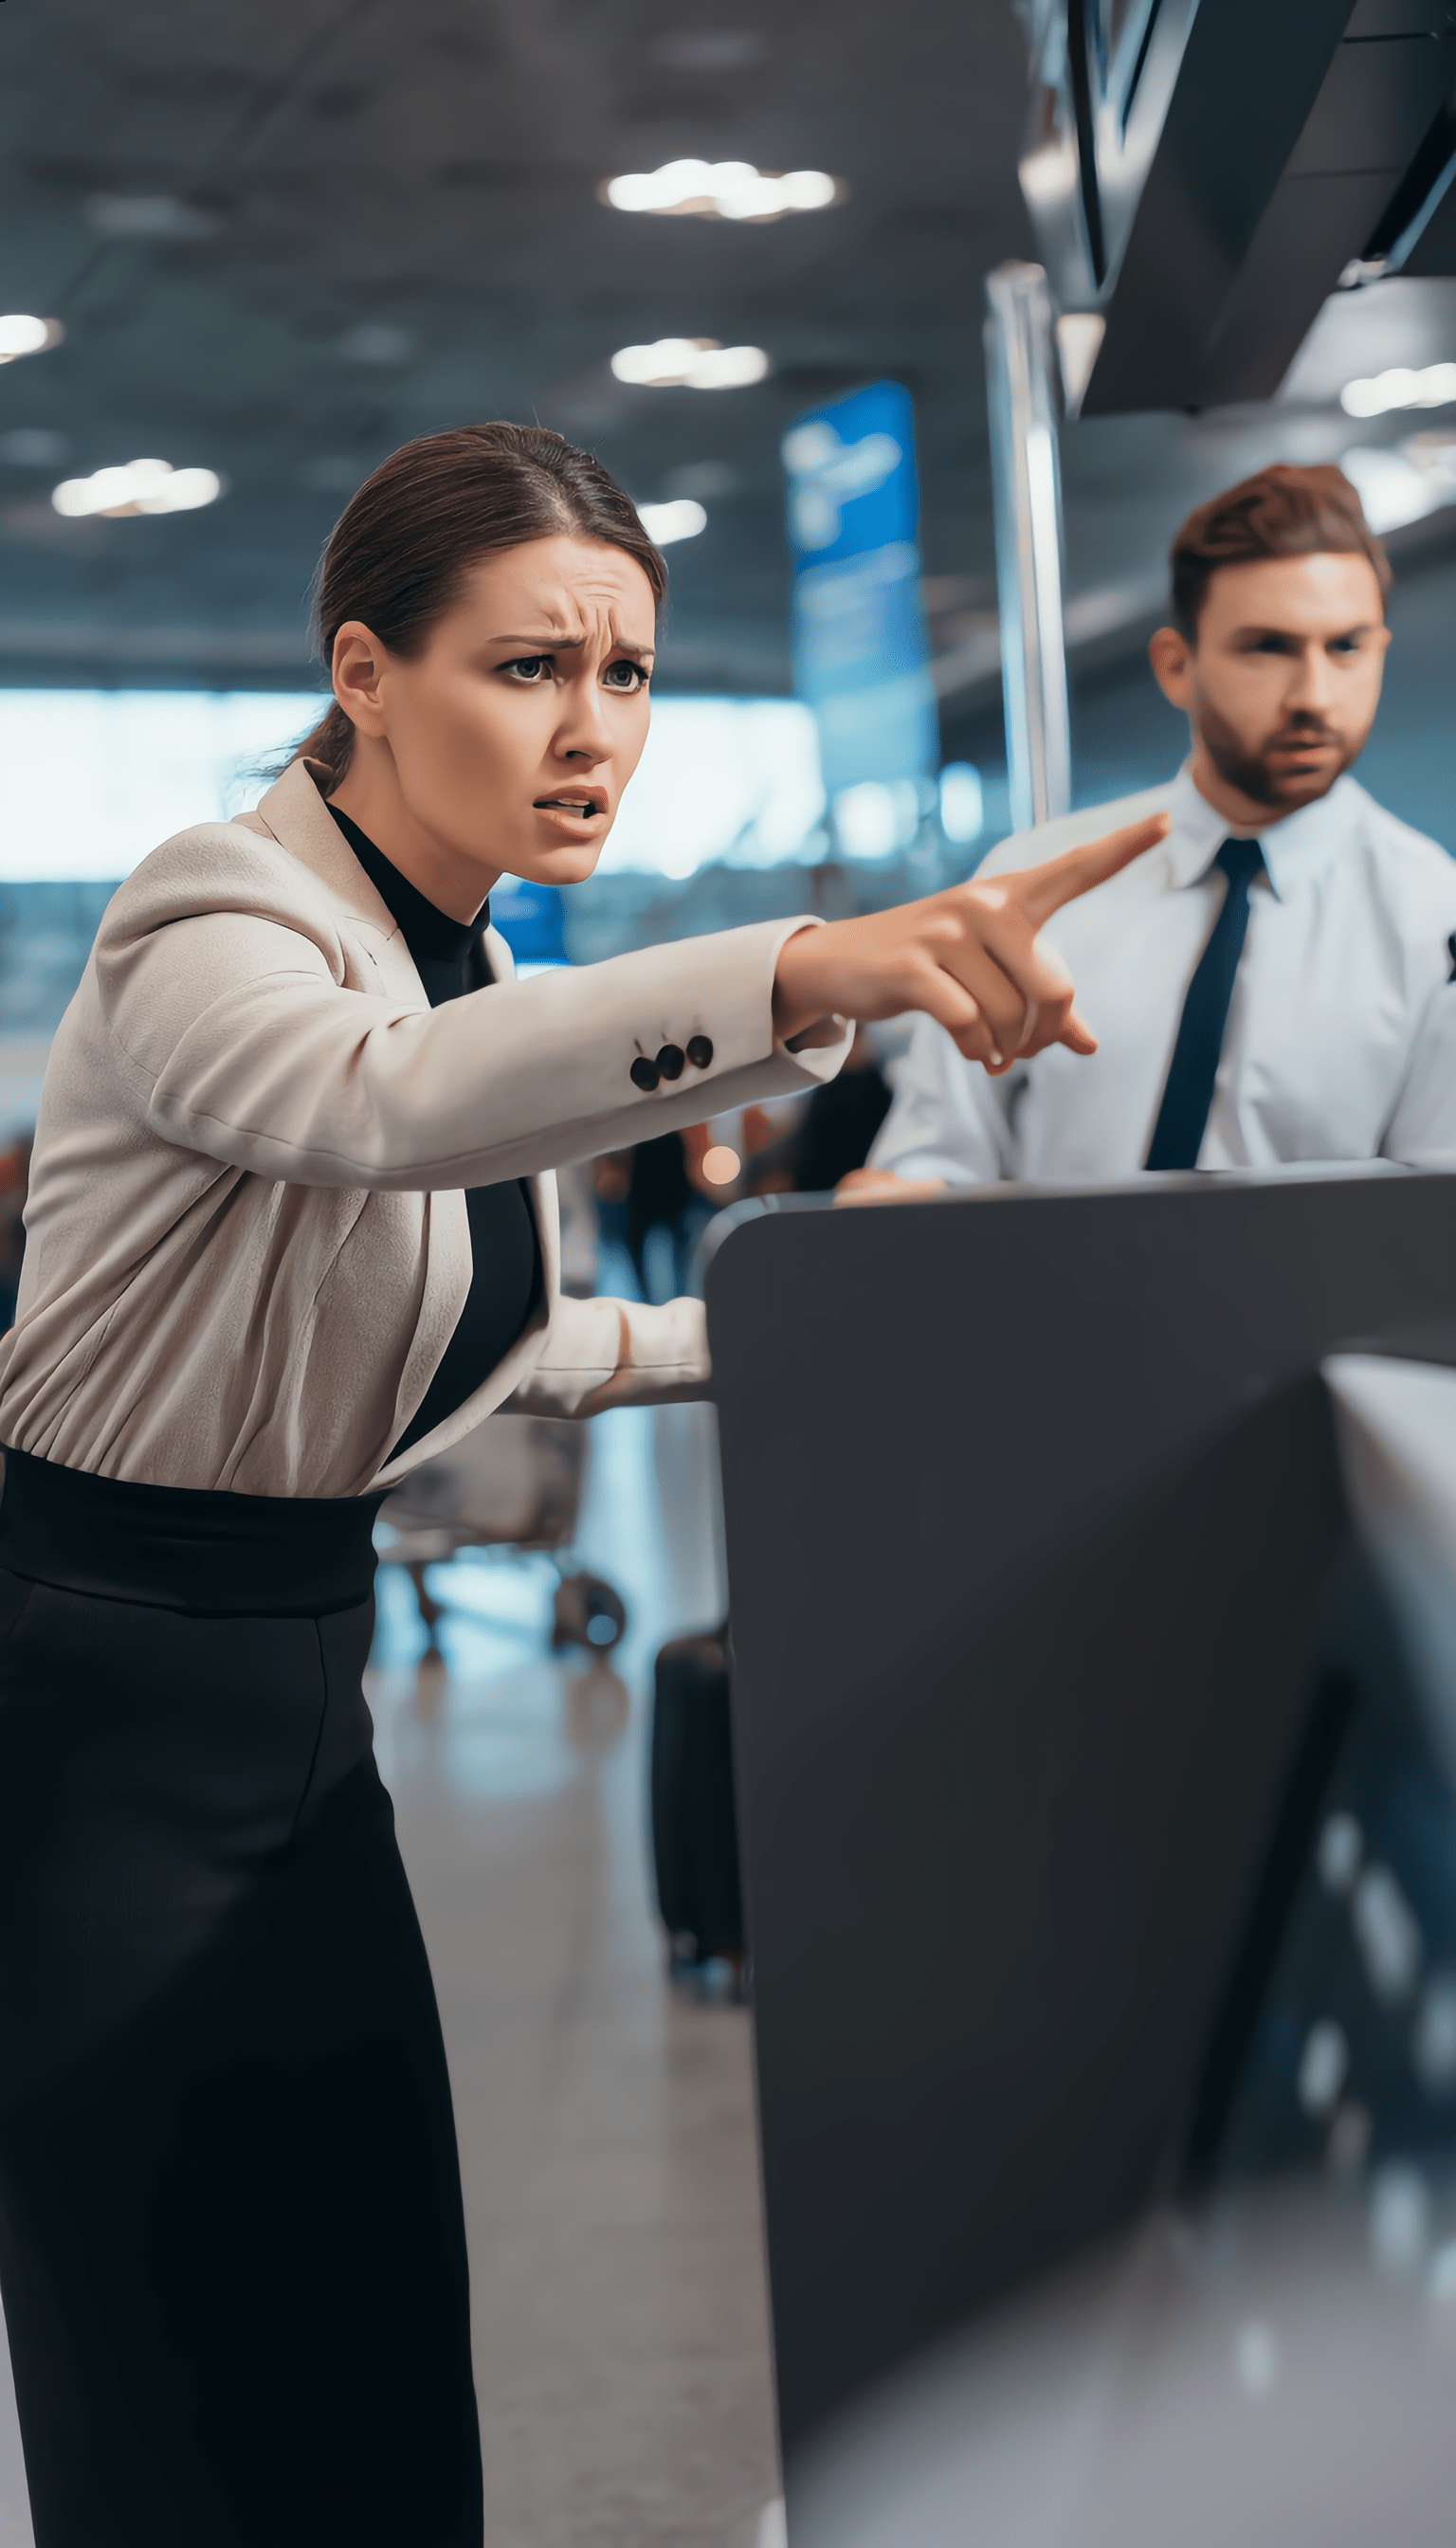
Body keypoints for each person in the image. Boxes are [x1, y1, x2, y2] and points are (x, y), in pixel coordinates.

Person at [0, 421, 1163, 2548]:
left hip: (294, 1712)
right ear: (364, 676)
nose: (593, 731)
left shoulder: (477, 966)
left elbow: (485, 1338)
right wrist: (807, 965)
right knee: (169, 2378)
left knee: (366, 2334)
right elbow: (383, 1112)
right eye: (529, 668)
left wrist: (814, 1320)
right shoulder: (213, 913)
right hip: (97, 1708)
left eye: (626, 676)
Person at [843, 464, 1456, 1204]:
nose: (1315, 697)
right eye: (1268, 647)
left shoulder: (1432, 916)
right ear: (1176, 666)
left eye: (1347, 648)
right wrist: (897, 1206)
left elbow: (1429, 1226)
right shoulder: (1032, 878)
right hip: (1042, 1312)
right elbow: (937, 1157)